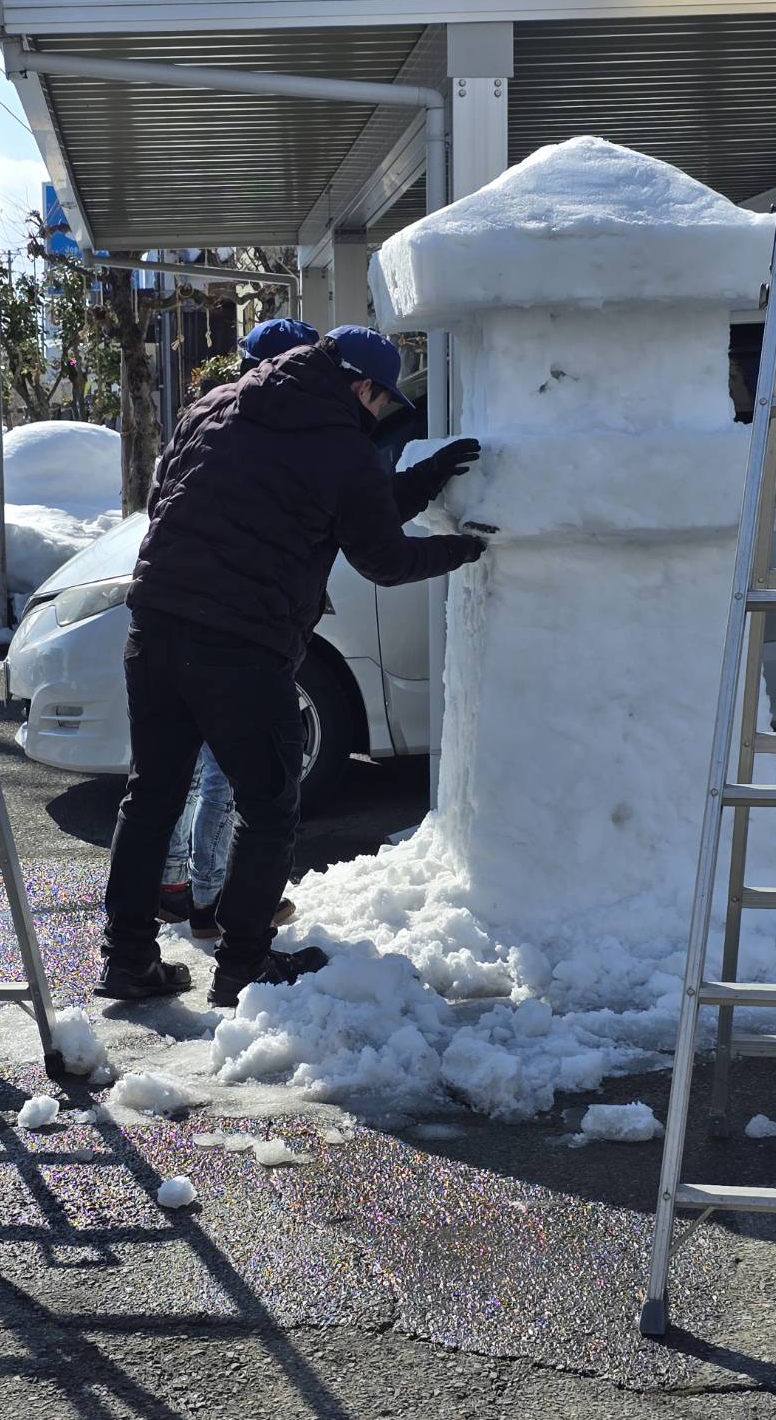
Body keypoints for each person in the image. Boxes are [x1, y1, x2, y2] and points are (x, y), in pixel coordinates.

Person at [98, 324, 486, 1007]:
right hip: (242, 647)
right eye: (382, 400)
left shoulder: (213, 408)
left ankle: (127, 959)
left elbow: (181, 505)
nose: (380, 413)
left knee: (152, 794)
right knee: (269, 806)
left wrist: (425, 481)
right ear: (361, 386)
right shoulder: (343, 448)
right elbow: (381, 555)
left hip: (154, 627)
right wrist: (464, 550)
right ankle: (243, 965)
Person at [156, 317, 319, 940]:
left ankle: (175, 887)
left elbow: (160, 502)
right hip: (236, 628)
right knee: (227, 772)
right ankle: (213, 897)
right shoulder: (276, 435)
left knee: (178, 769)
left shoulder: (205, 416)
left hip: (171, 615)